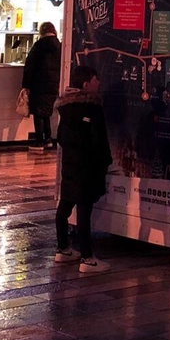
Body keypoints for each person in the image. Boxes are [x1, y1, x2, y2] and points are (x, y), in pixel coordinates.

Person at [54, 64, 112, 274]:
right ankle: (87, 258)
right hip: (88, 166)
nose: (99, 84)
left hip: (69, 164)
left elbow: (60, 137)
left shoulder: (65, 108)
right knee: (84, 211)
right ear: (87, 84)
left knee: (65, 206)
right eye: (96, 80)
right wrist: (106, 161)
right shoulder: (93, 108)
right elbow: (99, 140)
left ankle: (63, 248)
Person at [22, 21, 61, 151]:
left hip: (39, 83)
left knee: (38, 112)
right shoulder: (60, 45)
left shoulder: (39, 45)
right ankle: (48, 139)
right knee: (46, 112)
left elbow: (30, 65)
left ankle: (39, 141)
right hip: (54, 83)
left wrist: (26, 84)